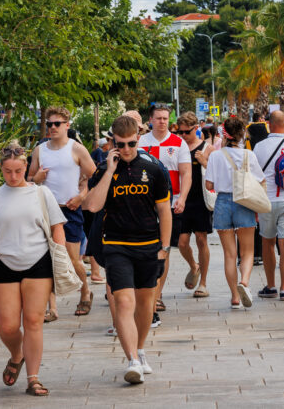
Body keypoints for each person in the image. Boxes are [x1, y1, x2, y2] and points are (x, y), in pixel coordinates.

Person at [84, 115, 172, 383]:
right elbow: (93, 206)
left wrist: (164, 248)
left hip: (148, 245)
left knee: (145, 304)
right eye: (120, 144)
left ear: (138, 138)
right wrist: (110, 171)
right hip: (116, 244)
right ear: (112, 141)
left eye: (131, 144)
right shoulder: (103, 169)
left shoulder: (154, 168)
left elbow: (164, 210)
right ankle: (132, 359)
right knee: (123, 300)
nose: (125, 150)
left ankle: (140, 348)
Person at [0, 141, 66, 396]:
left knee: (34, 321)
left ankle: (33, 378)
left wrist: (60, 258)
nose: (13, 176)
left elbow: (57, 228)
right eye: (8, 172)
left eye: (18, 171)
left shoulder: (42, 194)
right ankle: (17, 354)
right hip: (4, 263)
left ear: (26, 166)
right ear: (1, 170)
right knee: (6, 326)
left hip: (38, 261)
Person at [29, 107, 96, 317]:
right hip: (46, 209)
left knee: (72, 258)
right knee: (47, 258)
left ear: (67, 125)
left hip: (70, 209)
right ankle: (52, 308)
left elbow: (94, 176)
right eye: (49, 124)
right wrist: (36, 179)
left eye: (57, 124)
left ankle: (85, 292)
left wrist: (81, 196)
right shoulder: (40, 150)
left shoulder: (77, 149)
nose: (52, 128)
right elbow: (28, 180)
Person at [205, 117, 266, 309]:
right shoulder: (249, 155)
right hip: (244, 201)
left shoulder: (215, 155)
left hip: (223, 202)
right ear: (242, 135)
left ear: (224, 134)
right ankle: (245, 282)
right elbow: (261, 180)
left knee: (229, 255)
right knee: (247, 251)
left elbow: (209, 185)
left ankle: (234, 296)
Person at [138, 104, 191, 325]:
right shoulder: (141, 143)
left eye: (165, 118)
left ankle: (157, 295)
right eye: (158, 118)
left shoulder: (178, 143)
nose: (161, 121)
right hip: (146, 204)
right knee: (147, 247)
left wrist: (182, 198)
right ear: (150, 120)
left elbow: (186, 172)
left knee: (164, 248)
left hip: (171, 202)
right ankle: (149, 293)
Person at [253, 110, 284, 301]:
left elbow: (254, 176)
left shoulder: (259, 147)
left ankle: (271, 286)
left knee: (267, 242)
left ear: (269, 124)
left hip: (266, 200)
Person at [176, 112, 213, 298]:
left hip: (200, 200)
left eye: (186, 132)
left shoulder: (207, 148)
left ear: (196, 129)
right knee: (182, 243)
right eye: (179, 132)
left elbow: (217, 175)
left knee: (201, 239)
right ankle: (194, 266)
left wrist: (204, 161)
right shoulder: (176, 147)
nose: (182, 136)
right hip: (182, 199)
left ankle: (204, 283)